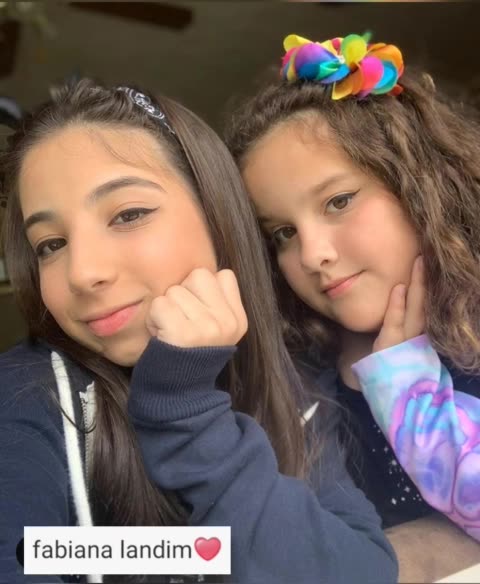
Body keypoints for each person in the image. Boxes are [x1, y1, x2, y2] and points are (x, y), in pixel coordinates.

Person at [0, 79, 398, 584]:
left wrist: (188, 415)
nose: (82, 273)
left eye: (128, 214)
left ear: (217, 215)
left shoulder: (291, 387)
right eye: (51, 245)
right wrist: (202, 553)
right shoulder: (26, 399)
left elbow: (364, 571)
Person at [225, 32, 480, 541]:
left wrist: (404, 383)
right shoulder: (295, 389)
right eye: (283, 233)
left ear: (420, 185)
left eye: (338, 202)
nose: (312, 254)